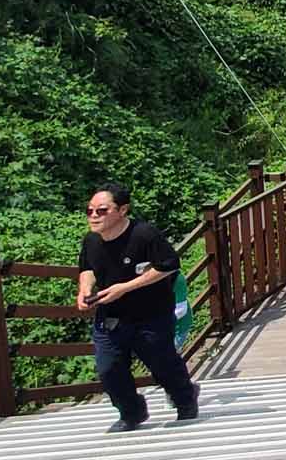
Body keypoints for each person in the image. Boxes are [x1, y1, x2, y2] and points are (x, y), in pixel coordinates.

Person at [75, 182, 200, 433]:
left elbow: (168, 265)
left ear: (122, 210)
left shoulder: (144, 235)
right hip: (110, 316)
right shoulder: (91, 241)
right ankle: (132, 412)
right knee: (108, 368)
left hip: (151, 313)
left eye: (101, 210)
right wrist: (85, 289)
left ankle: (185, 399)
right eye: (90, 211)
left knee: (162, 364)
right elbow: (86, 268)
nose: (94, 216)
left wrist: (125, 288)